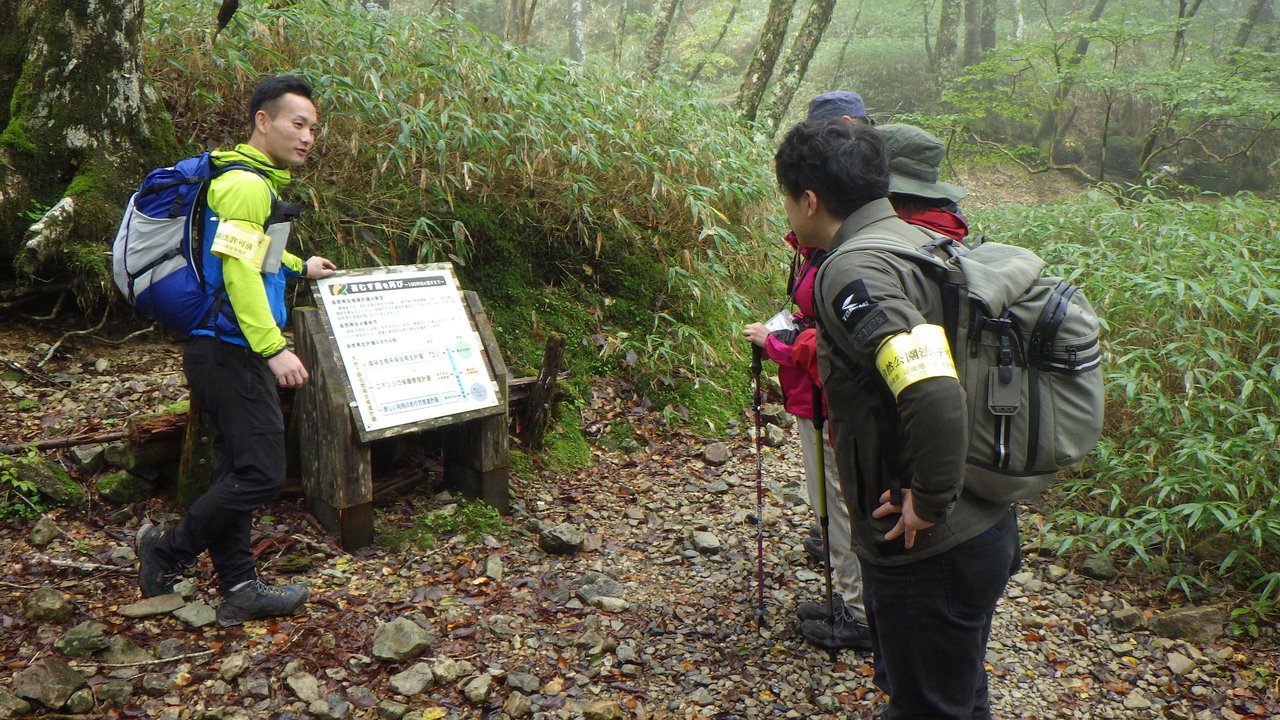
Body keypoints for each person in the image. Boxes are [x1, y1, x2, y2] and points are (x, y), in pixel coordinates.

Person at [775, 118, 1020, 718]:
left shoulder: (853, 272)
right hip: (981, 524)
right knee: (954, 694)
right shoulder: (915, 241)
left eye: (784, 198)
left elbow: (932, 388)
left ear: (810, 200)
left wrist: (930, 501)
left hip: (931, 547)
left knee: (930, 706)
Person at [136, 74, 338, 628]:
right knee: (262, 473)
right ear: (262, 120)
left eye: (313, 129)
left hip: (222, 348)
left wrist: (302, 267)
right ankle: (168, 548)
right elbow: (237, 269)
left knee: (236, 470)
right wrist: (273, 348)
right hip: (231, 351)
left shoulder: (251, 181)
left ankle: (240, 586)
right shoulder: (246, 184)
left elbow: (254, 257)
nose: (306, 137)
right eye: (297, 124)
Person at [741, 90, 873, 653]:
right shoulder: (853, 229)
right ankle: (855, 597)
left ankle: (859, 611)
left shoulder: (850, 252)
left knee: (841, 500)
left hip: (832, 397)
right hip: (820, 392)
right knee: (839, 500)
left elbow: (842, 343)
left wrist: (778, 344)